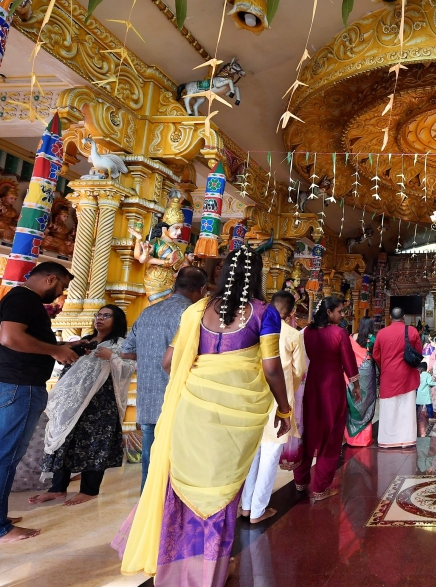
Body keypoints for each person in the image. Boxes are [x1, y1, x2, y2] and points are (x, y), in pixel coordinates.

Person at [115, 246, 291, 583]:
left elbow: (169, 362)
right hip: (236, 417)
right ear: (257, 276)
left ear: (221, 274)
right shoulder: (263, 312)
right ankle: (211, 572)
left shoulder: (196, 311)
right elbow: (270, 369)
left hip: (191, 410)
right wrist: (283, 409)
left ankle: (177, 571)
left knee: (182, 488)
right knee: (223, 492)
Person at [0, 261, 77, 545]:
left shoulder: (17, 298)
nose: (60, 292)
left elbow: (18, 337)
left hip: (5, 382)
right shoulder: (25, 298)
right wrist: (55, 351)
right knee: (4, 457)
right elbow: (10, 337)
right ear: (51, 279)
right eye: (62, 286)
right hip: (18, 385)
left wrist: (63, 349)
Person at [31, 305, 135, 506]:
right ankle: (57, 488)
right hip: (73, 401)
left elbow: (129, 368)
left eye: (107, 316)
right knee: (65, 439)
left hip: (101, 402)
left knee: (96, 443)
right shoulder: (84, 341)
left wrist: (111, 357)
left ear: (117, 320)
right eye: (99, 315)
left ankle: (89, 490)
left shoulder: (121, 344)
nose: (100, 318)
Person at [120, 266, 209, 491]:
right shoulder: (194, 314)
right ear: (202, 289)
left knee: (151, 458)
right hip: (180, 398)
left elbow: (126, 351)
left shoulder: (148, 312)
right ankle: (169, 510)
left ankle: (146, 507)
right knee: (179, 459)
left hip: (148, 397)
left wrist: (149, 357)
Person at [240, 290, 306, 522]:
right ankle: (258, 510)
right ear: (289, 313)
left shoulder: (252, 328)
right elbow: (299, 371)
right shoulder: (292, 334)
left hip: (255, 399)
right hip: (280, 403)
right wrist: (289, 390)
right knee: (270, 456)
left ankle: (246, 505)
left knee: (253, 454)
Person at [293, 296, 358, 499]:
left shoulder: (307, 333)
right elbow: (349, 363)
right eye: (339, 311)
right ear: (329, 313)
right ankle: (321, 486)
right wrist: (356, 386)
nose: (342, 315)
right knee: (331, 434)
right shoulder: (339, 333)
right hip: (332, 387)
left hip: (312, 385)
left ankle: (300, 480)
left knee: (310, 430)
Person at [372, 308, 421, 449]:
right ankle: (406, 439)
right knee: (406, 407)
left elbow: (376, 354)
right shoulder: (411, 331)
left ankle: (387, 439)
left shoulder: (381, 333)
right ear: (403, 317)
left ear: (390, 317)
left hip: (388, 375)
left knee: (389, 408)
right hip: (407, 375)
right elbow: (418, 351)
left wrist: (386, 365)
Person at [346, 317, 377, 447]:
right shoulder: (372, 339)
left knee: (353, 401)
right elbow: (377, 355)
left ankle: (351, 438)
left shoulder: (351, 337)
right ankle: (364, 438)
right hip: (367, 370)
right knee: (367, 400)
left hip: (352, 371)